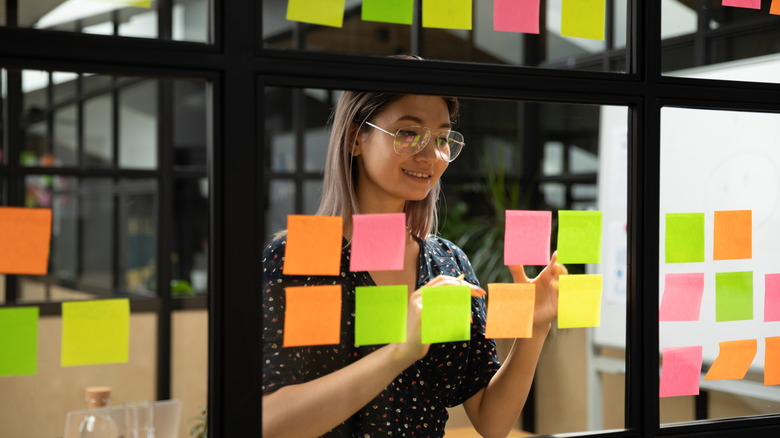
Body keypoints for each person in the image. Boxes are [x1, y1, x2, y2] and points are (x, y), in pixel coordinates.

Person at [262, 68, 567, 437]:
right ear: (355, 138)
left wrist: (533, 329)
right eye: (408, 133)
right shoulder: (303, 256)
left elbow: (492, 420)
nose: (430, 155)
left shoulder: (448, 262)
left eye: (441, 138)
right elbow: (269, 424)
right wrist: (399, 352)